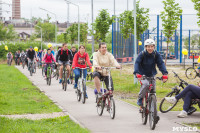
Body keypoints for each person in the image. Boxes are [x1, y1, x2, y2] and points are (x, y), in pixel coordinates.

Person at [133, 39, 168, 107]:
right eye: (148, 47)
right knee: (145, 84)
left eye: (151, 46)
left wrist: (165, 73)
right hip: (142, 74)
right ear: (145, 47)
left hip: (152, 74)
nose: (150, 48)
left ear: (154, 47)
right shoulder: (142, 54)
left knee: (153, 91)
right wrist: (137, 73)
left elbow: (160, 64)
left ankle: (153, 109)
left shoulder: (156, 54)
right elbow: (137, 63)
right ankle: (140, 98)